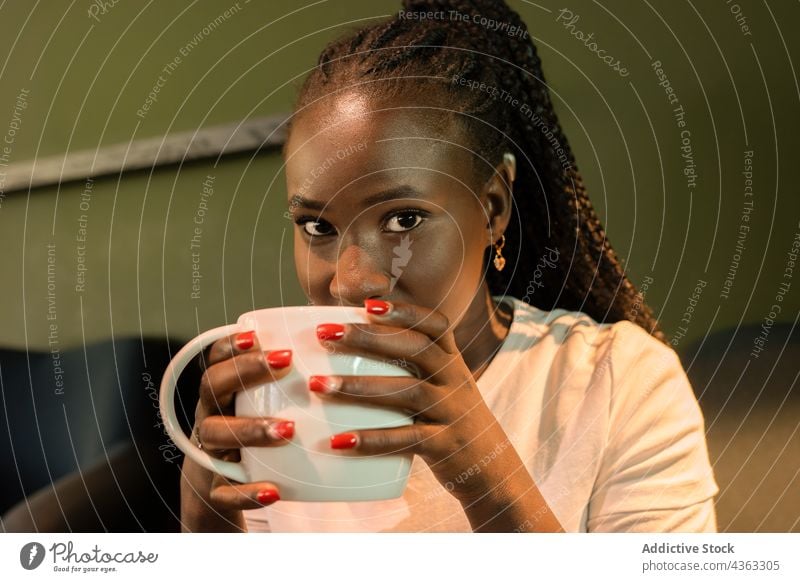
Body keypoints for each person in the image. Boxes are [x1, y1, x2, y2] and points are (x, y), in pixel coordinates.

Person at [179, 0, 719, 532]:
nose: (350, 282)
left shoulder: (616, 383)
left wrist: (489, 481)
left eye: (404, 219)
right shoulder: (284, 406)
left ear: (492, 209)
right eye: (317, 227)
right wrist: (208, 536)